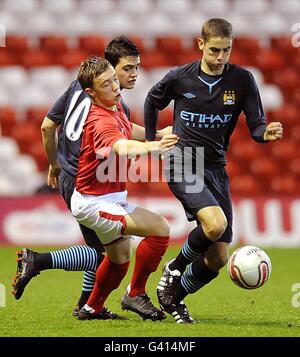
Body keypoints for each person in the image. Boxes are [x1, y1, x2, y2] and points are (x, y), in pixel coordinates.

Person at [144, 18, 283, 323]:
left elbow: (256, 122)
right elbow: (152, 100)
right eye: (215, 50)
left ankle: (175, 297)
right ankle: (173, 269)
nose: (221, 57)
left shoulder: (242, 80)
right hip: (184, 160)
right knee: (215, 225)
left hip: (216, 167)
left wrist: (264, 134)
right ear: (201, 45)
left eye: (227, 50)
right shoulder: (180, 77)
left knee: (218, 257)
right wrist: (153, 139)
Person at [71, 55, 178, 321]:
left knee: (119, 260)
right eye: (106, 84)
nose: (115, 86)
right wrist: (154, 147)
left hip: (108, 197)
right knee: (160, 228)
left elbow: (126, 130)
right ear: (91, 92)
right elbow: (120, 146)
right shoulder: (99, 120)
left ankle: (91, 309)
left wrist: (158, 133)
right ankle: (135, 294)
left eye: (113, 79)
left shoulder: (113, 106)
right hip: (95, 203)